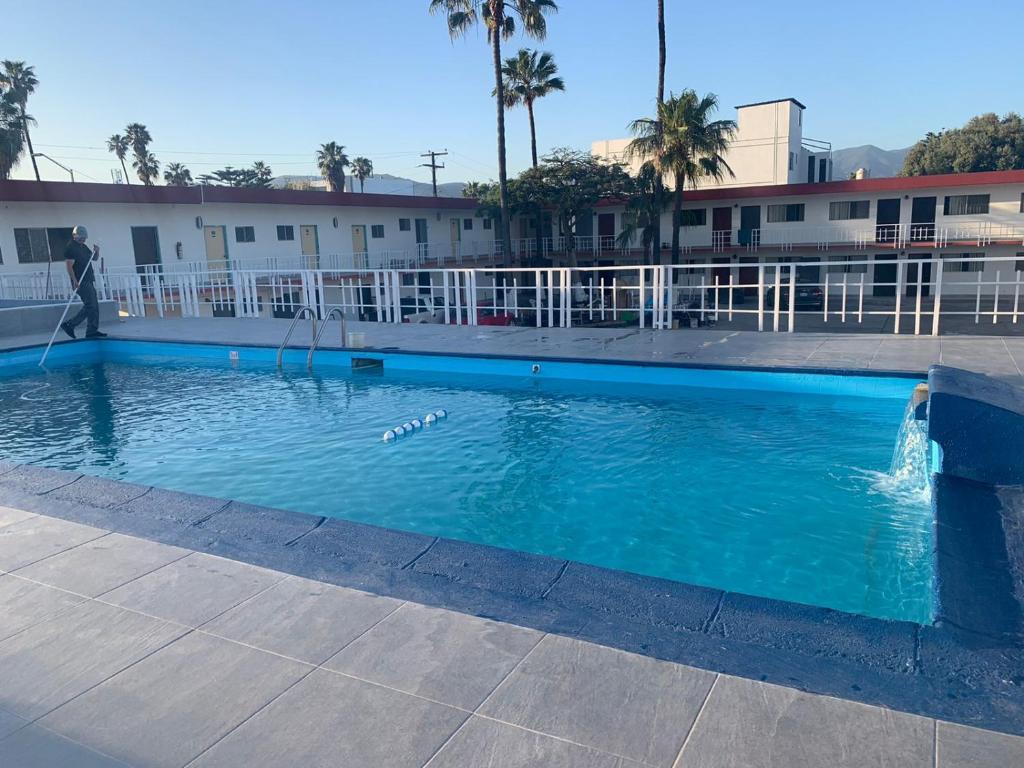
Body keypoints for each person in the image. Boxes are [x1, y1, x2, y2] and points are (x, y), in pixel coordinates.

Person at [61, 225, 106, 339]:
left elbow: (94, 258)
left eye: (84, 238)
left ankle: (92, 331)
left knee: (94, 306)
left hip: (88, 279)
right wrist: (74, 281)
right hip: (80, 282)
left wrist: (97, 251)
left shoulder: (83, 247)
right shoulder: (71, 248)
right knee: (90, 305)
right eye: (81, 237)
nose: (83, 239)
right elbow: (69, 266)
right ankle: (70, 324)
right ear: (74, 236)